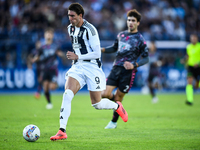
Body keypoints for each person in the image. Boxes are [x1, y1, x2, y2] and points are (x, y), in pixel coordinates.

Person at [50, 3, 128, 141]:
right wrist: (77, 59)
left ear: (80, 15)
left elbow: (97, 53)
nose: (70, 18)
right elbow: (79, 47)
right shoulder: (70, 28)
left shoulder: (90, 30)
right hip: (78, 67)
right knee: (67, 94)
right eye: (69, 16)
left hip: (92, 68)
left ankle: (117, 106)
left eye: (73, 16)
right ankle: (62, 130)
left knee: (97, 104)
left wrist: (78, 56)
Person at [101, 9, 149, 129]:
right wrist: (102, 50)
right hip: (116, 68)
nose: (130, 22)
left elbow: (146, 58)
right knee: (104, 94)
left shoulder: (140, 39)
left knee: (118, 98)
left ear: (138, 23)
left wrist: (135, 65)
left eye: (133, 20)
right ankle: (119, 108)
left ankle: (113, 122)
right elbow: (114, 48)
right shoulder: (121, 35)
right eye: (129, 20)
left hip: (128, 72)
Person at [32, 27, 65, 109]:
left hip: (53, 69)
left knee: (52, 87)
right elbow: (38, 56)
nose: (48, 35)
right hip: (44, 69)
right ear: (44, 35)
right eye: (47, 33)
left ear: (52, 35)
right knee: (45, 87)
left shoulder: (55, 46)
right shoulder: (42, 47)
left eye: (50, 34)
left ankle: (56, 84)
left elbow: (60, 53)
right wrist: (35, 59)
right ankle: (49, 103)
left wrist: (62, 55)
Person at [185, 34, 200, 105]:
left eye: (194, 38)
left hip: (199, 67)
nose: (193, 39)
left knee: (197, 85)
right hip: (190, 67)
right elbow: (188, 56)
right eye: (192, 38)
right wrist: (185, 60)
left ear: (197, 39)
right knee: (189, 81)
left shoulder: (199, 46)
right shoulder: (188, 47)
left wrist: (198, 62)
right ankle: (189, 100)